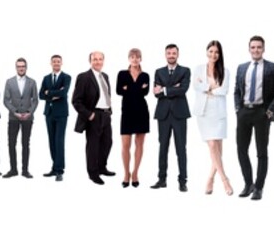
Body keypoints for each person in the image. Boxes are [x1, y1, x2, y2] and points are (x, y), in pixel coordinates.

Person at [236, 35, 274, 201]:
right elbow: (237, 90)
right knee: (241, 150)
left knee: (261, 152)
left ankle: (259, 187)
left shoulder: (272, 67)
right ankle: (248, 183)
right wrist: (238, 108)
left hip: (262, 113)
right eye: (253, 47)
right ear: (249, 49)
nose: (256, 50)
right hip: (244, 112)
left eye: (259, 47)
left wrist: (270, 111)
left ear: (263, 49)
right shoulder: (242, 68)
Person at [192, 40, 234, 195]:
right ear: (206, 52)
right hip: (204, 112)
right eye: (211, 51)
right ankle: (225, 180)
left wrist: (208, 89)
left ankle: (210, 178)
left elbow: (224, 90)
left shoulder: (225, 71)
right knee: (212, 146)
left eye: (216, 52)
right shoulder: (198, 69)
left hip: (219, 113)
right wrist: (211, 87)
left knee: (217, 148)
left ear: (220, 54)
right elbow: (196, 86)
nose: (213, 55)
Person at [72, 51, 117, 184]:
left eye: (100, 59)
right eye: (94, 59)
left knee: (107, 143)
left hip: (106, 114)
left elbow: (106, 95)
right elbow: (76, 101)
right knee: (93, 146)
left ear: (103, 60)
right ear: (90, 61)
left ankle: (102, 168)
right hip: (93, 116)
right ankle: (93, 173)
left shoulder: (106, 76)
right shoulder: (84, 77)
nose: (98, 62)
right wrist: (89, 114)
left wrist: (109, 111)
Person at [152, 44, 192, 192]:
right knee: (162, 148)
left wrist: (165, 89)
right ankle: (161, 179)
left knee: (181, 148)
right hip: (163, 114)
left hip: (180, 114)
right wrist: (173, 87)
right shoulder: (159, 71)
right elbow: (156, 93)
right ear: (165, 55)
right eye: (168, 53)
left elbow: (184, 89)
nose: (171, 55)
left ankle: (182, 181)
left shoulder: (185, 70)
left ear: (178, 54)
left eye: (173, 53)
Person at [117, 49, 152, 187]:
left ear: (141, 59)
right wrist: (137, 88)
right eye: (132, 57)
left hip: (142, 112)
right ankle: (126, 173)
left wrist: (129, 88)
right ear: (129, 59)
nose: (135, 59)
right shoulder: (122, 74)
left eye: (137, 57)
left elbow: (145, 92)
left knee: (139, 144)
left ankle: (135, 172)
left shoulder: (145, 75)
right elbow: (119, 90)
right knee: (125, 145)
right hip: (127, 112)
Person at [3, 58, 39, 178]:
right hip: (13, 118)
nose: (21, 68)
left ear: (26, 67)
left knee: (25, 144)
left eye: (23, 66)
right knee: (11, 143)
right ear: (16, 67)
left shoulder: (32, 82)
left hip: (28, 118)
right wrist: (15, 112)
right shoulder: (9, 82)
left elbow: (35, 100)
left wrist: (29, 112)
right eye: (19, 66)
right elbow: (6, 100)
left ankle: (25, 170)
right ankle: (13, 169)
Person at [39, 55, 71, 181]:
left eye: (58, 61)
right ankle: (54, 167)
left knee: (59, 140)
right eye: (54, 61)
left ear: (61, 63)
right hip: (49, 113)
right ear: (51, 63)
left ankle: (60, 170)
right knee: (51, 140)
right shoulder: (46, 78)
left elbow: (64, 93)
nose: (56, 63)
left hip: (61, 113)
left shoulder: (66, 77)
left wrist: (49, 93)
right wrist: (53, 94)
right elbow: (41, 95)